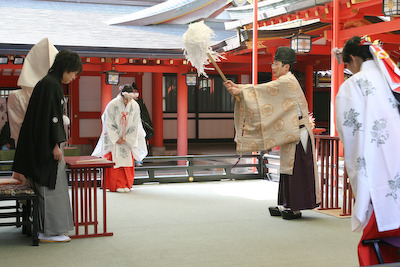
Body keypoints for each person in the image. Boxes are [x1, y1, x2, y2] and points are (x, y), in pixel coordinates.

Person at [224, 46, 320, 220]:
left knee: (295, 169)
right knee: (288, 169)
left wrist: (240, 90)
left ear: (286, 67)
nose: (273, 67)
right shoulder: (285, 81)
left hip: (298, 132)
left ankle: (295, 207)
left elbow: (264, 90)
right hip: (292, 131)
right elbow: (263, 90)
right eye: (273, 64)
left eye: (276, 64)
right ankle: (289, 204)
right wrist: (238, 88)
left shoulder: (287, 81)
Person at [335, 36, 400, 265]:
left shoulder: (354, 84)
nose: (349, 70)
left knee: (379, 227)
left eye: (347, 64)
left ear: (352, 58)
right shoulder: (392, 80)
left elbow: (349, 131)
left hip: (376, 167)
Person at [11, 49, 82, 243]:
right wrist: (54, 145)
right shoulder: (51, 85)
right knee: (51, 189)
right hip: (46, 148)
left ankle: (49, 229)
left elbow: (49, 118)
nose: (74, 78)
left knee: (51, 188)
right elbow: (50, 119)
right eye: (74, 73)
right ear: (66, 68)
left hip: (39, 145)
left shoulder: (48, 83)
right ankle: (48, 232)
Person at [92, 84, 147, 193]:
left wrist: (126, 137)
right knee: (114, 161)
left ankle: (126, 184)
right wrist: (116, 137)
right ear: (121, 96)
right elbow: (108, 121)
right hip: (114, 140)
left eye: (130, 99)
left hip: (127, 139)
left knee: (126, 162)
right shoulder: (112, 104)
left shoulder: (135, 106)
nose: (128, 101)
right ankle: (113, 185)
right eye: (126, 99)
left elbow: (136, 123)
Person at [132, 82, 153, 166]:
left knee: (140, 143)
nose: (136, 93)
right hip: (131, 126)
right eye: (134, 92)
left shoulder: (141, 102)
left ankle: (139, 160)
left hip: (140, 125)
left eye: (136, 91)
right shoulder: (128, 102)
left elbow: (145, 114)